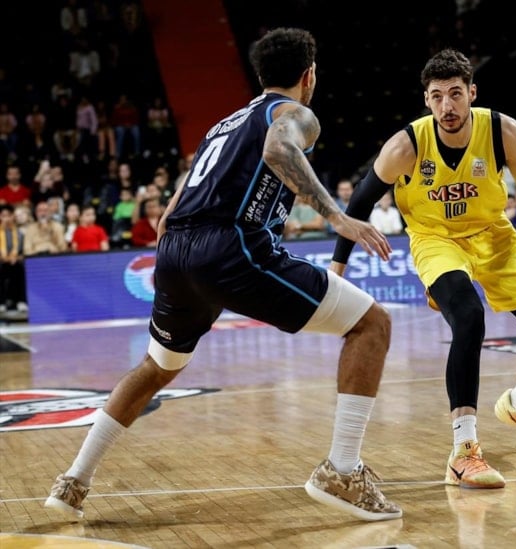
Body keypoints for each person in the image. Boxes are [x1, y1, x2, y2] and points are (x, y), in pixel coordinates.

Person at [44, 27, 401, 523]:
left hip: (175, 252)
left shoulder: (222, 126)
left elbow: (169, 213)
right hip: (232, 247)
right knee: (372, 324)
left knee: (157, 367)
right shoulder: (296, 114)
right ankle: (342, 470)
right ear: (309, 76)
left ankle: (73, 481)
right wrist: (337, 217)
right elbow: (280, 151)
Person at [330, 48, 516, 490]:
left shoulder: (502, 131)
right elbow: (357, 205)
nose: (447, 106)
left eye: (455, 94)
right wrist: (337, 272)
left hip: (495, 238)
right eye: (437, 96)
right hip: (437, 241)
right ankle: (463, 451)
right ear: (426, 100)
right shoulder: (406, 145)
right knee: (469, 317)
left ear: (472, 93)